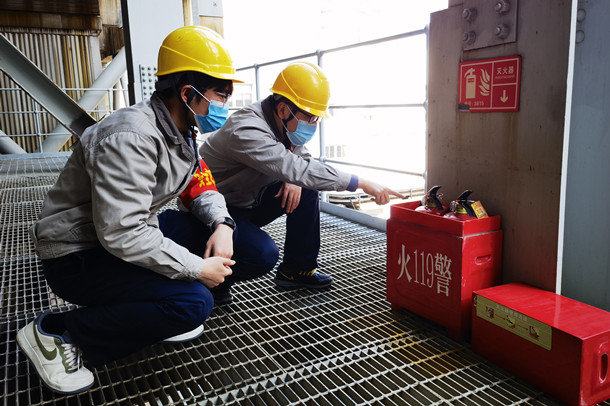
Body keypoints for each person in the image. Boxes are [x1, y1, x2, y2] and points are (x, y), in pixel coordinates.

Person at [17, 26, 254, 395]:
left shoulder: (181, 129)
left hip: (128, 231)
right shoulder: (131, 136)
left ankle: (156, 310)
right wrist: (195, 267)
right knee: (193, 303)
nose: (225, 105)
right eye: (220, 94)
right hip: (79, 253)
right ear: (188, 93)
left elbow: (197, 180)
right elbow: (121, 232)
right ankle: (60, 334)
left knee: (253, 249)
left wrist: (222, 223)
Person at [201, 61, 404, 295]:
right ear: (284, 110)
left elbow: (301, 159)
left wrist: (293, 178)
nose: (313, 124)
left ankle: (297, 270)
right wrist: (362, 183)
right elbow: (294, 166)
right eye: (310, 117)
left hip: (247, 200)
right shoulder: (248, 129)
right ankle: (215, 280)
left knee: (306, 188)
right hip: (216, 210)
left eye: (317, 119)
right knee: (263, 253)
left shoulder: (280, 121)